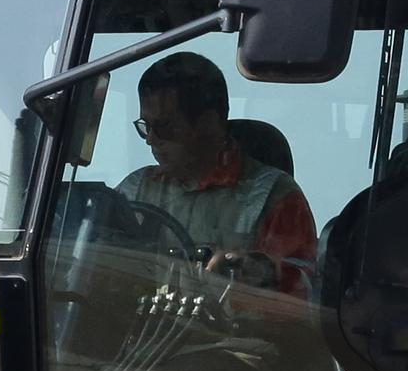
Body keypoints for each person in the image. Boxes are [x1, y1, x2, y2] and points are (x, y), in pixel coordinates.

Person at [119, 52, 315, 292]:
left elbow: (301, 298)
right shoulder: (134, 189)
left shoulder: (275, 198)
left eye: (164, 127)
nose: (150, 139)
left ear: (208, 124)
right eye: (145, 127)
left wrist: (256, 271)